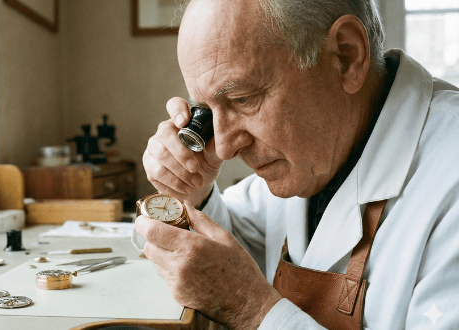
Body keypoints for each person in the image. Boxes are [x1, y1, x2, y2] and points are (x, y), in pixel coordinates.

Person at [134, 0, 459, 329]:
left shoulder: (451, 176)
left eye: (243, 98)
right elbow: (233, 246)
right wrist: (195, 188)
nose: (226, 147)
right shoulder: (314, 153)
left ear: (346, 57)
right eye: (206, 109)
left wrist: (250, 309)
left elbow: (240, 289)